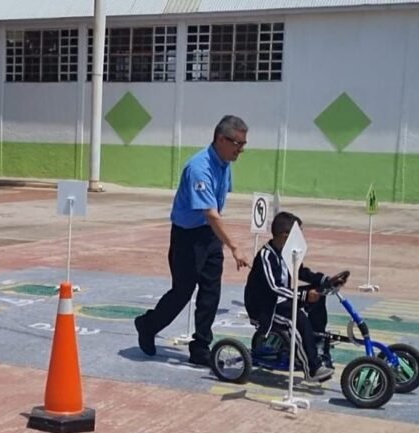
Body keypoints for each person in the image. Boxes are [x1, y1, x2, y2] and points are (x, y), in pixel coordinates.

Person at [134, 115, 251, 365]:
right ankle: (148, 324)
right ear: (221, 139)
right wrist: (235, 247)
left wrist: (220, 240)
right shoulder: (199, 167)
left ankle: (200, 346)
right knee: (182, 292)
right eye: (238, 144)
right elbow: (210, 212)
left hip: (209, 235)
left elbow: (217, 209)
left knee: (211, 291)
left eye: (243, 144)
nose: (241, 150)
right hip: (187, 237)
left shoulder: (224, 164)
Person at [244, 211, 343, 383]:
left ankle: (315, 342)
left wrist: (325, 281)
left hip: (281, 299)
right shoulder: (266, 256)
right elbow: (274, 288)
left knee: (319, 295)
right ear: (284, 236)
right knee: (299, 320)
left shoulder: (287, 252)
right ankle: (312, 368)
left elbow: (301, 271)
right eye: (297, 234)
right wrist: (304, 295)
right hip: (265, 307)